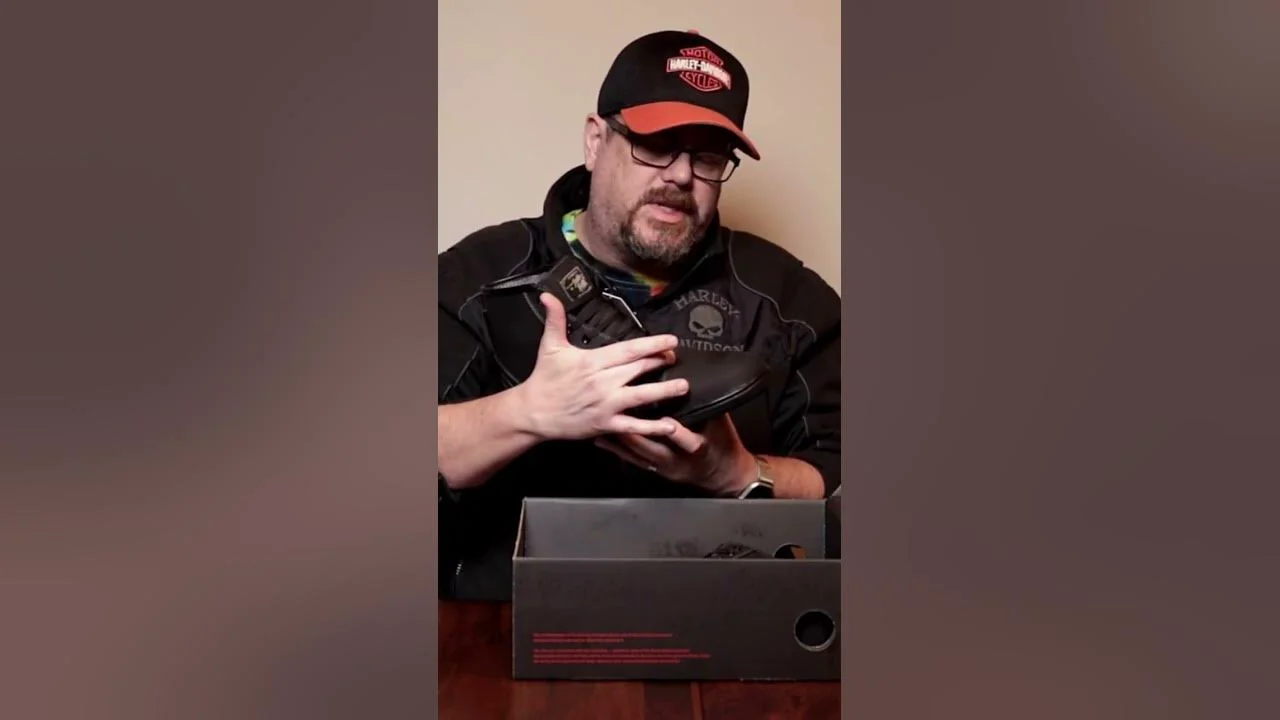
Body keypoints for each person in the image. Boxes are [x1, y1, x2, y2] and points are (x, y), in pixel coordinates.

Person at [438, 29, 841, 600]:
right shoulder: (479, 278)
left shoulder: (790, 302)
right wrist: (529, 412)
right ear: (595, 141)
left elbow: (843, 480)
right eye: (655, 144)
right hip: (498, 631)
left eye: (707, 156)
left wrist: (737, 474)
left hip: (724, 630)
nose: (681, 175)